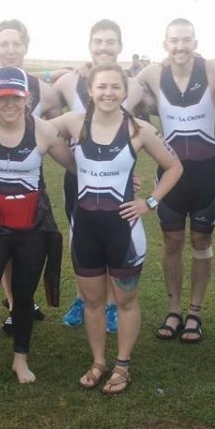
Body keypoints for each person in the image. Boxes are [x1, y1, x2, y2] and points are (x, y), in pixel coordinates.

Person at [50, 62, 182, 394]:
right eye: (101, 87)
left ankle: (122, 365)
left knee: (125, 300)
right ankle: (97, 362)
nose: (108, 93)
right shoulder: (73, 122)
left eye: (115, 87)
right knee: (92, 302)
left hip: (124, 230)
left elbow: (174, 167)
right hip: (85, 230)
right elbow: (31, 128)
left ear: (125, 92)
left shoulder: (138, 129)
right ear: (90, 91)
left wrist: (149, 202)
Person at [0, 66, 74, 396]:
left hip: (31, 230)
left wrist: (118, 180)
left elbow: (78, 165)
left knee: (22, 298)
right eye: (1, 97)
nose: (9, 103)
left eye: (16, 97)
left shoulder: (44, 131)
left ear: (27, 98)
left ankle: (20, 359)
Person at [134, 19, 215, 344]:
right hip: (171, 179)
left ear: (195, 42)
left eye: (186, 40)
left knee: (201, 244)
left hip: (206, 178)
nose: (180, 47)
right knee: (172, 243)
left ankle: (195, 311)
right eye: (174, 41)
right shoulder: (151, 73)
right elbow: (123, 95)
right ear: (165, 44)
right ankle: (174, 308)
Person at [0, 19, 61, 333]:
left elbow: (56, 131)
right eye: (4, 44)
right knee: (1, 243)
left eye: (16, 43)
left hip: (32, 175)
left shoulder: (44, 91)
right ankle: (12, 302)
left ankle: (23, 299)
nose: (10, 49)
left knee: (26, 244)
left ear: (25, 46)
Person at [52, 19, 144, 331]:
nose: (104, 48)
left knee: (115, 236)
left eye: (110, 42)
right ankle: (84, 297)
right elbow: (43, 102)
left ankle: (114, 305)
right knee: (80, 232)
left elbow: (148, 123)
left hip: (115, 178)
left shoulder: (135, 84)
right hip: (78, 174)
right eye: (98, 42)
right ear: (90, 45)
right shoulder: (69, 81)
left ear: (120, 46)